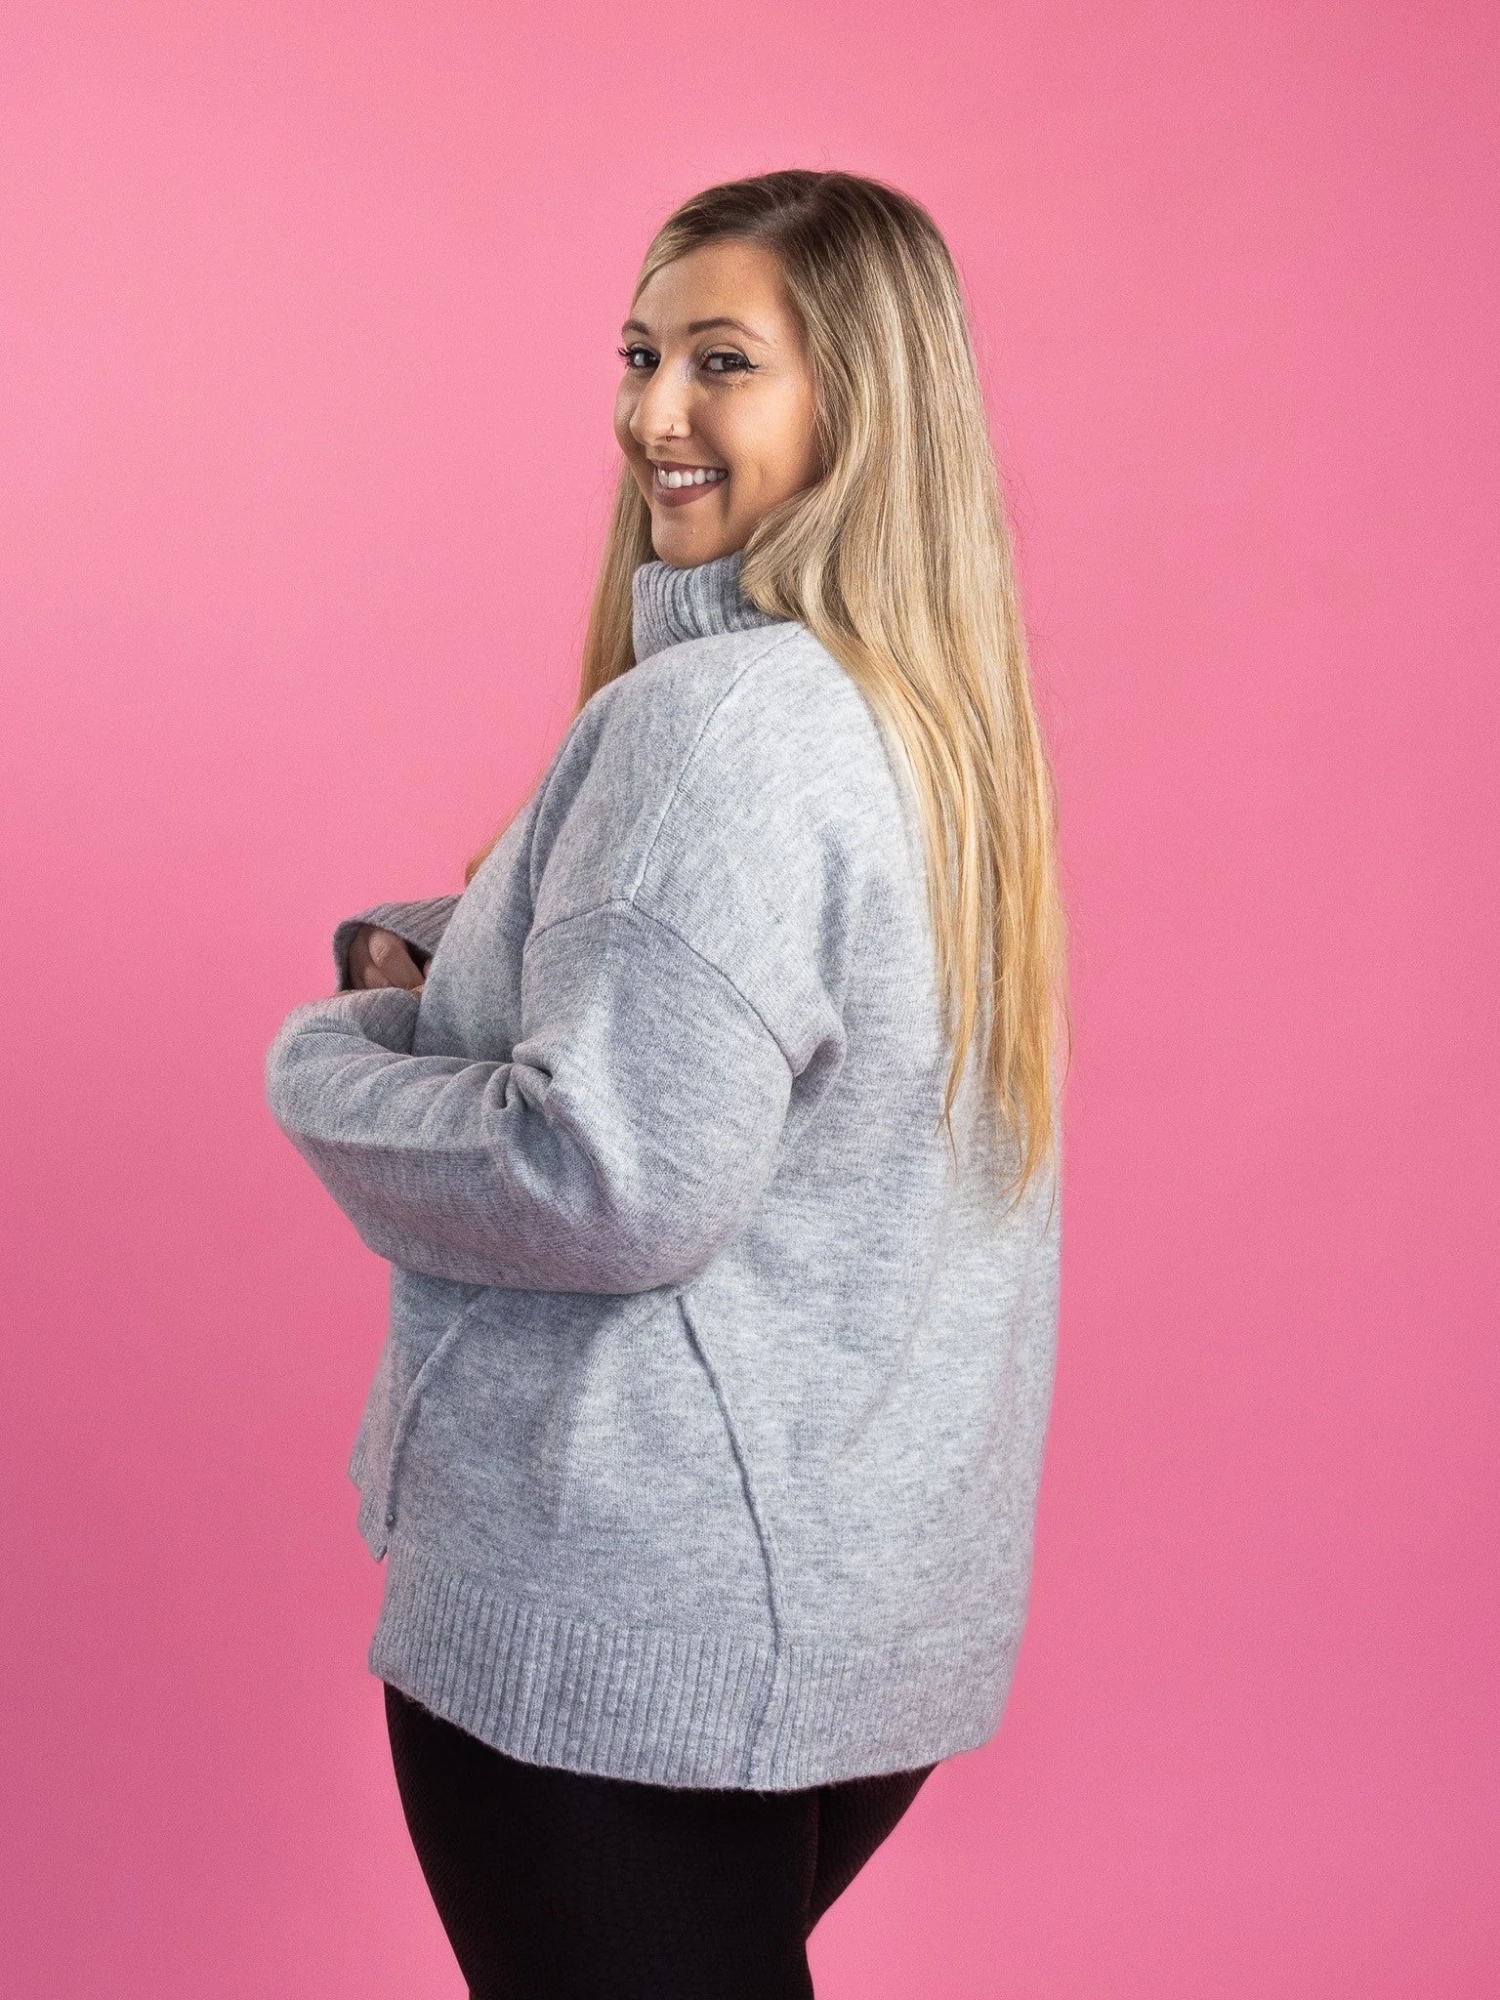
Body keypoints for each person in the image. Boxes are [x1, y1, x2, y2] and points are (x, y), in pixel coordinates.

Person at [266, 167, 1067, 2000]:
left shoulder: (713, 729)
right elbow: (762, 1018)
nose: (654, 415)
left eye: (724, 361)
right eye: (641, 356)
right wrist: (459, 947)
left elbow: (604, 1180)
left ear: (861, 403)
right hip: (850, 1616)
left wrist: (329, 1057)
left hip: (635, 1630)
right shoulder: (922, 716)